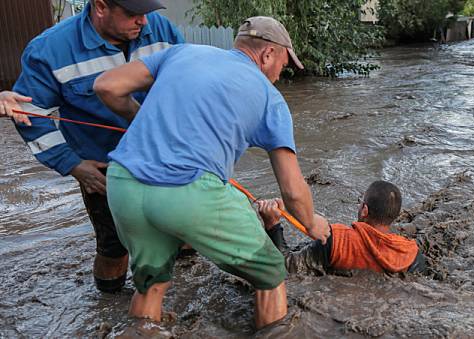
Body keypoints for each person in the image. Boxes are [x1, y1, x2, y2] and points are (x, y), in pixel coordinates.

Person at [93, 16, 330, 328]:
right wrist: (312, 223)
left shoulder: (182, 52)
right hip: (187, 192)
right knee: (271, 272)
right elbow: (292, 189)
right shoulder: (270, 98)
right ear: (268, 54)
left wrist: (140, 119)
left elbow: (107, 86)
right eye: (283, 65)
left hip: (123, 183)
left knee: (151, 284)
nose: (279, 74)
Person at [0, 0, 184, 293]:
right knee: (114, 248)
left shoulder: (163, 30)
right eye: (134, 14)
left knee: (183, 229)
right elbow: (32, 117)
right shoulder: (50, 49)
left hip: (167, 158)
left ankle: (184, 280)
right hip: (103, 169)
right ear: (100, 6)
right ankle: (108, 305)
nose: (145, 22)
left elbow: (187, 85)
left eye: (147, 13)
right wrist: (73, 165)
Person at [257, 181, 426, 275]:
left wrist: (272, 225)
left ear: (365, 210)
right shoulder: (412, 254)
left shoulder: (337, 240)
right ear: (394, 215)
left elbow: (287, 268)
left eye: (361, 203)